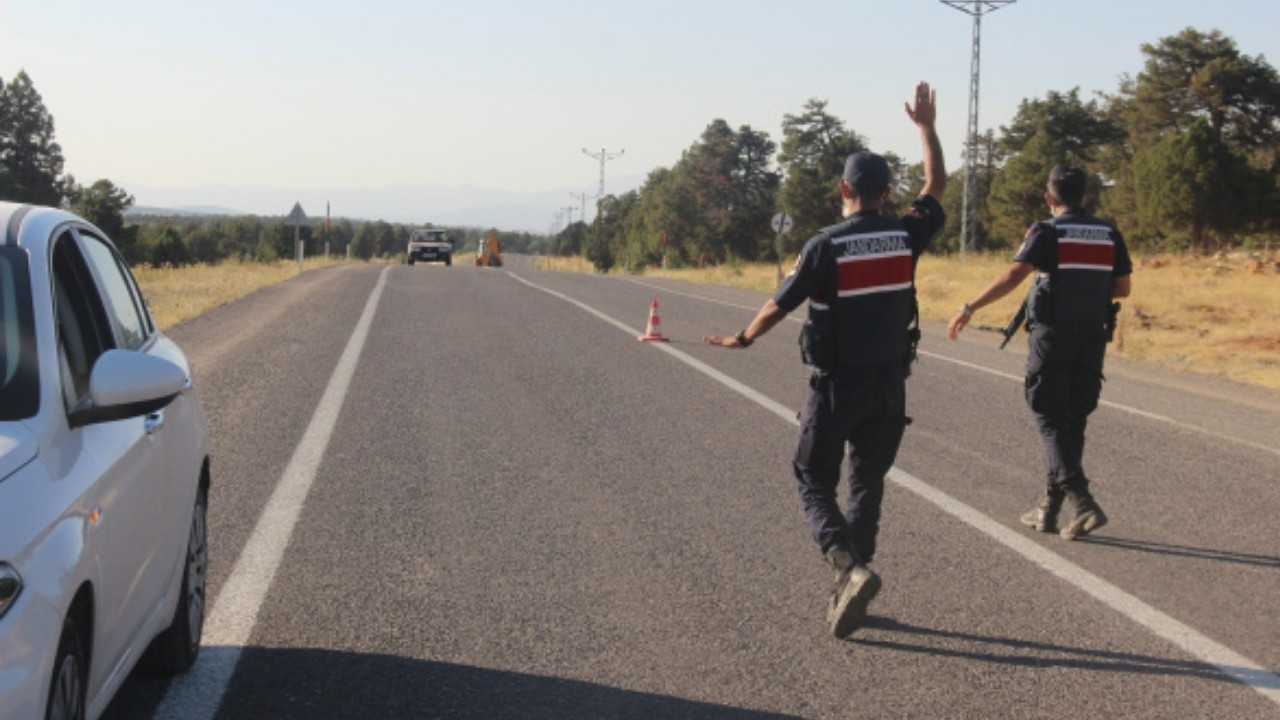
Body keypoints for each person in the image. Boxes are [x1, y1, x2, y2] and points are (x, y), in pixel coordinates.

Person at [704, 81, 946, 638]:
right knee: (867, 486)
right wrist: (926, 127)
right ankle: (853, 582)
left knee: (812, 478)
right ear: (887, 192)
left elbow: (778, 304)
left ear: (845, 189)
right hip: (889, 387)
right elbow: (936, 183)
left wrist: (743, 338)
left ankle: (844, 565)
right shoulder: (907, 235)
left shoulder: (825, 245)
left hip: (836, 387)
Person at [946, 164, 1132, 540]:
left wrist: (969, 308)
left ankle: (1081, 502)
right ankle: (1049, 509)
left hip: (1053, 336)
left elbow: (1013, 276)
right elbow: (1122, 288)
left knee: (1048, 414)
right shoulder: (1109, 232)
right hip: (1092, 336)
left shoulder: (1046, 231)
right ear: (1085, 196)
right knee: (1072, 419)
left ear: (1050, 199)